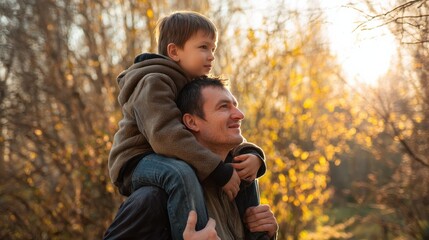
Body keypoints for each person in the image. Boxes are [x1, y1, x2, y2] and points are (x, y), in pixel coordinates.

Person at [108, 11, 267, 239]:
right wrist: (216, 169)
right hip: (138, 161)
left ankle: (257, 234)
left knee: (240, 169)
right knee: (180, 173)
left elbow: (215, 138)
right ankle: (195, 232)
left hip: (165, 155)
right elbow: (165, 135)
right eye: (203, 47)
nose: (211, 56)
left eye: (213, 49)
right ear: (174, 51)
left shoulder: (189, 85)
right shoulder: (154, 81)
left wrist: (253, 156)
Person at [104, 77, 278, 240]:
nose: (239, 114)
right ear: (192, 122)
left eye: (235, 105)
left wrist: (267, 235)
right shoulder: (153, 199)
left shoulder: (239, 181)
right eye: (224, 107)